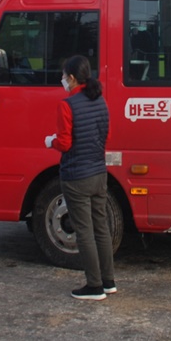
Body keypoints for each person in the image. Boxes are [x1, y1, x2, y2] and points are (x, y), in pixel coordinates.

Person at [45, 55, 116, 300]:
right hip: (98, 172)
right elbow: (105, 134)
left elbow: (64, 142)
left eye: (64, 76)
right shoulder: (100, 101)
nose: (63, 80)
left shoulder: (67, 105)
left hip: (76, 175)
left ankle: (94, 286)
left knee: (83, 231)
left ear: (73, 78)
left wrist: (50, 141)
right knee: (101, 228)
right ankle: (108, 281)